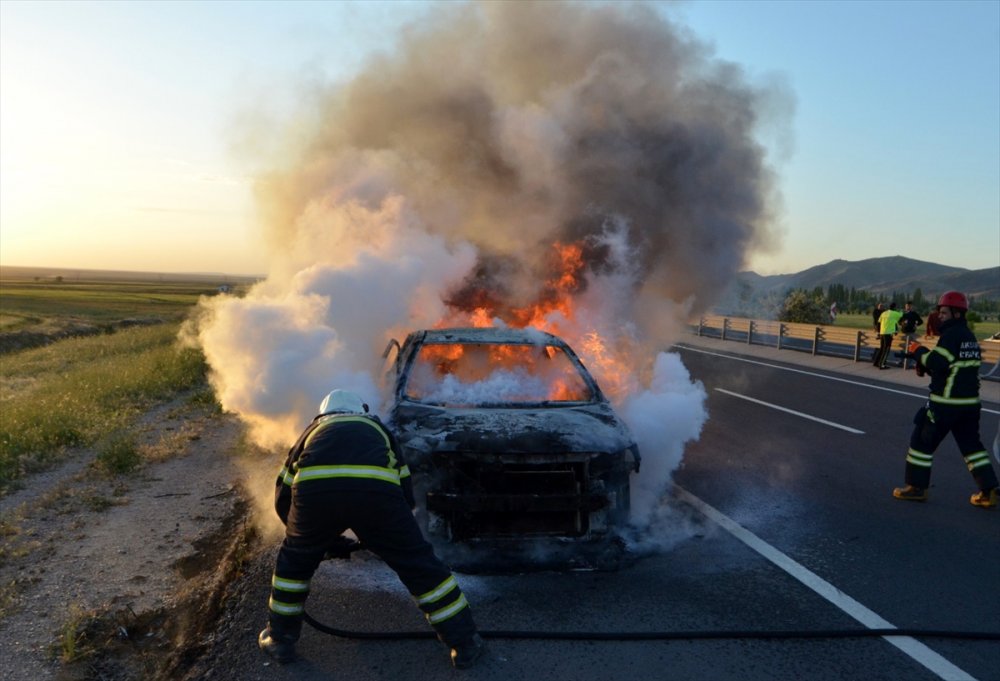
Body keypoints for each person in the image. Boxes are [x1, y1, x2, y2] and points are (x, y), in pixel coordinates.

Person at [258, 389, 485, 668]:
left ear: (323, 414)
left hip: (315, 499)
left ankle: (280, 641)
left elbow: (283, 494)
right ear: (362, 410)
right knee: (419, 565)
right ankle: (464, 643)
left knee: (292, 567)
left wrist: (306, 539)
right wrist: (388, 533)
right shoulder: (378, 428)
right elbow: (404, 487)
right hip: (377, 499)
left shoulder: (311, 432)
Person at [893, 291, 999, 508]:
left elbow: (936, 361)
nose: (939, 316)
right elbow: (954, 368)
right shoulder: (969, 337)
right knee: (972, 448)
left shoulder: (951, 335)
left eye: (943, 312)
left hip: (945, 404)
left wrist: (918, 351)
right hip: (969, 405)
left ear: (956, 314)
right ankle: (989, 491)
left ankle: (916, 488)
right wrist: (928, 368)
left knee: (921, 443)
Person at [872, 301, 902, 369]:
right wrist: (901, 311)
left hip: (882, 333)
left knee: (882, 348)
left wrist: (879, 332)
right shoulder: (895, 313)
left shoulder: (884, 313)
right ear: (895, 307)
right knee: (886, 350)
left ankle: (876, 362)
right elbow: (901, 315)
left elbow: (879, 323)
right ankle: (882, 365)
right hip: (888, 334)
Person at [897, 301, 923, 369]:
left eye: (909, 306)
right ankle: (902, 362)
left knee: (910, 348)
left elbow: (921, 321)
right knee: (903, 348)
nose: (907, 307)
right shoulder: (903, 314)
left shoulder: (914, 314)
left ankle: (908, 363)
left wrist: (916, 325)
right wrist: (902, 323)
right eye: (906, 306)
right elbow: (899, 322)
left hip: (911, 333)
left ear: (911, 306)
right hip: (904, 332)